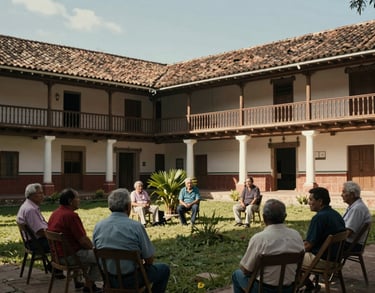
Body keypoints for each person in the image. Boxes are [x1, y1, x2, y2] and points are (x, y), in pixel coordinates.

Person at [93, 188, 170, 292]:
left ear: (109, 207)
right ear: (128, 206)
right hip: (132, 280)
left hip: (109, 279)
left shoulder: (98, 226)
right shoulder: (136, 227)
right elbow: (149, 260)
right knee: (164, 269)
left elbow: (96, 252)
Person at [232, 199, 304, 293]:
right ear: (285, 216)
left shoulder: (260, 239)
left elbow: (246, 270)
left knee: (237, 274)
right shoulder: (296, 236)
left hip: (263, 289)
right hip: (288, 288)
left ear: (264, 217)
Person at [48, 188, 102, 293]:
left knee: (85, 253)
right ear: (70, 201)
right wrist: (94, 249)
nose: (79, 200)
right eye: (77, 198)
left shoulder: (55, 213)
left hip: (57, 256)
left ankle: (79, 282)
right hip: (69, 257)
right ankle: (89, 286)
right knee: (101, 256)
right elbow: (83, 241)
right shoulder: (71, 216)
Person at [16, 183, 66, 280]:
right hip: (36, 243)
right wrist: (53, 235)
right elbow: (39, 232)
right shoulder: (30, 210)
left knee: (59, 239)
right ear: (32, 195)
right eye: (40, 193)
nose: (43, 195)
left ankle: (54, 267)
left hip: (32, 240)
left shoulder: (28, 205)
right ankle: (56, 268)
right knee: (62, 242)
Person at [303, 187, 346, 291]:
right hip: (335, 259)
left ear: (320, 201)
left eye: (311, 200)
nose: (309, 202)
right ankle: (308, 285)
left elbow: (308, 245)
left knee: (290, 258)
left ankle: (305, 285)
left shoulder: (319, 218)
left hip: (323, 260)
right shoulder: (336, 214)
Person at [341, 181, 372, 251]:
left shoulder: (357, 209)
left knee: (322, 244)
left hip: (352, 245)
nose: (341, 195)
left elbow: (348, 232)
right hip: (350, 243)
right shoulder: (354, 206)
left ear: (352, 195)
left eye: (344, 192)